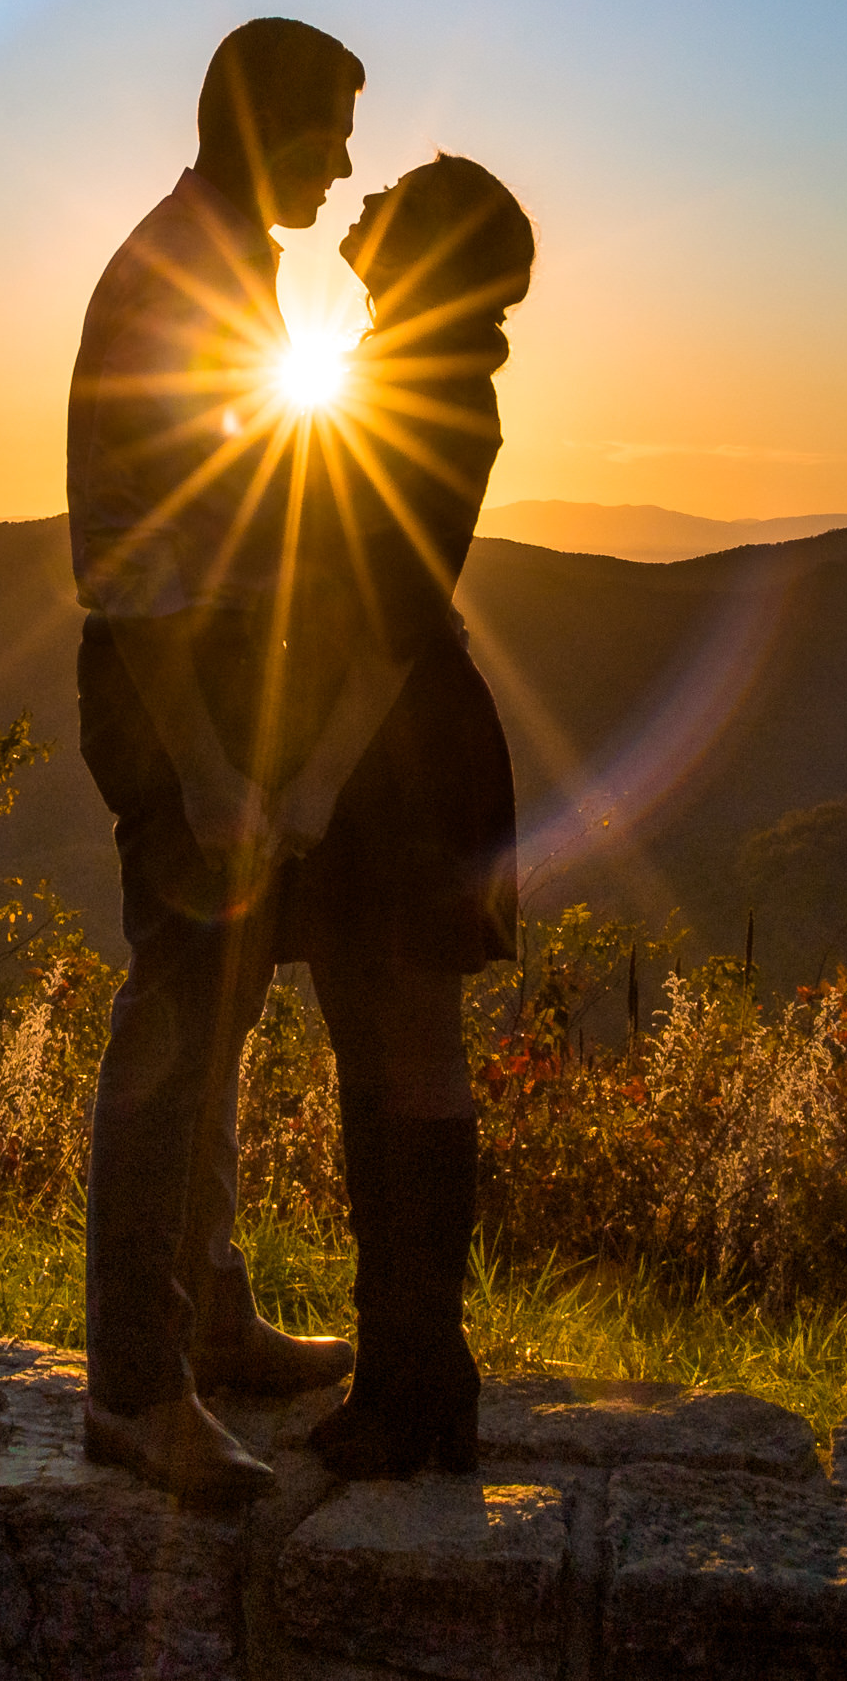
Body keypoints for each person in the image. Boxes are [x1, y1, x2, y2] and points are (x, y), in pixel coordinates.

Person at [68, 17, 370, 1507]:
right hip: (171, 698)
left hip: (221, 693)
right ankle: (136, 1386)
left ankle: (214, 1312)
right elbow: (133, 560)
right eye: (332, 129)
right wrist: (199, 757)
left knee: (222, 1014)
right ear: (268, 125)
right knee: (177, 1026)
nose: (348, 162)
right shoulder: (179, 275)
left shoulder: (230, 262)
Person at [272, 153, 531, 1479]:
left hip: (396, 751)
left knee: (408, 1049)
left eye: (391, 197)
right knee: (375, 1053)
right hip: (383, 740)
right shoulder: (408, 368)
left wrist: (307, 784)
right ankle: (408, 1372)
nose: (362, 199)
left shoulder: (429, 385)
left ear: (424, 246)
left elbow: (378, 609)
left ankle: (422, 1380)